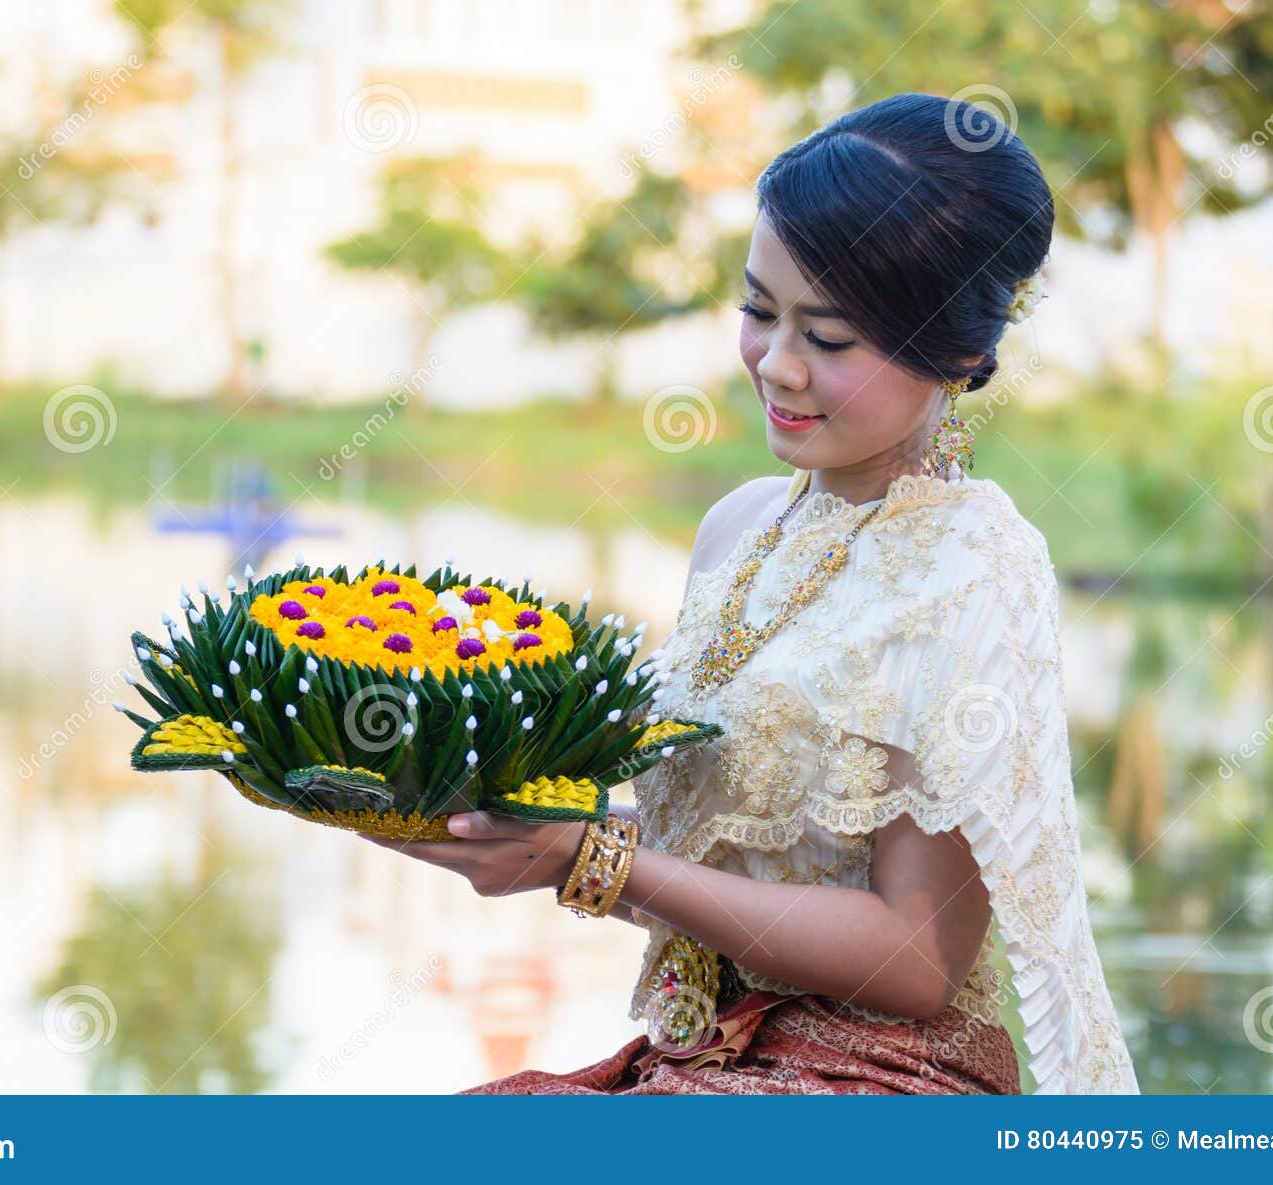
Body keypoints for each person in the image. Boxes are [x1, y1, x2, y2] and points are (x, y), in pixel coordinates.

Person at [361, 92, 1139, 1095]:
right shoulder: (738, 527)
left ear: (954, 353)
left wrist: (594, 864)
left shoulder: (973, 566)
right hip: (715, 1049)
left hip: (874, 1077)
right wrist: (505, 824)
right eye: (760, 311)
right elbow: (734, 861)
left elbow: (918, 957)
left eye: (830, 336)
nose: (777, 365)